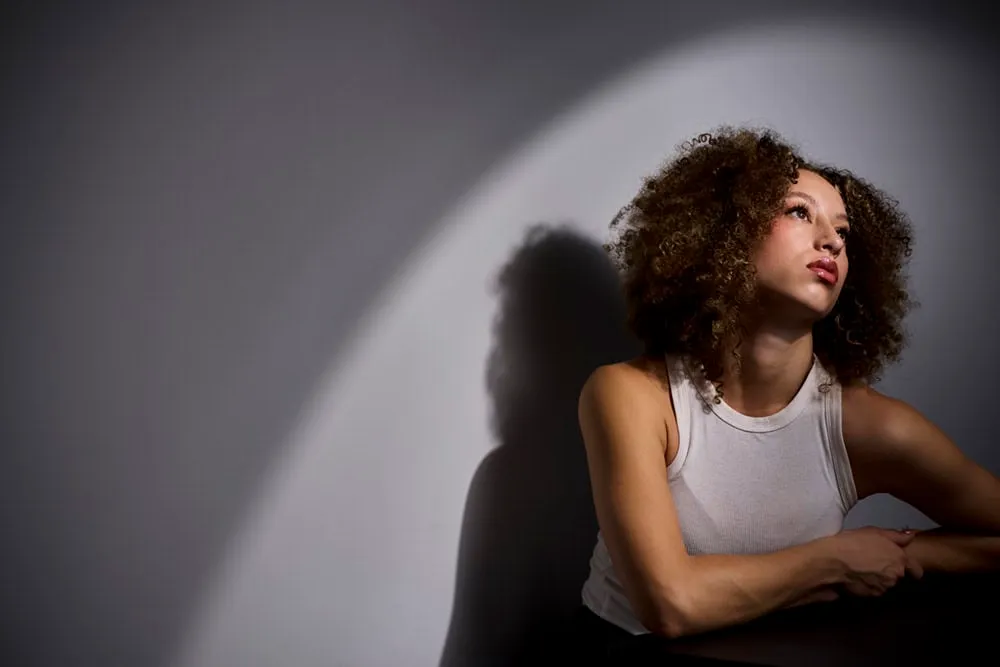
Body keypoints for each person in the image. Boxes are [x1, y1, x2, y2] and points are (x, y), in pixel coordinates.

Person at [570, 127, 1000, 662]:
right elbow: (669, 604)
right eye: (800, 212)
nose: (833, 241)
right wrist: (834, 560)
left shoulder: (865, 424)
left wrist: (908, 555)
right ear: (725, 231)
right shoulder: (633, 394)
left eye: (843, 230)